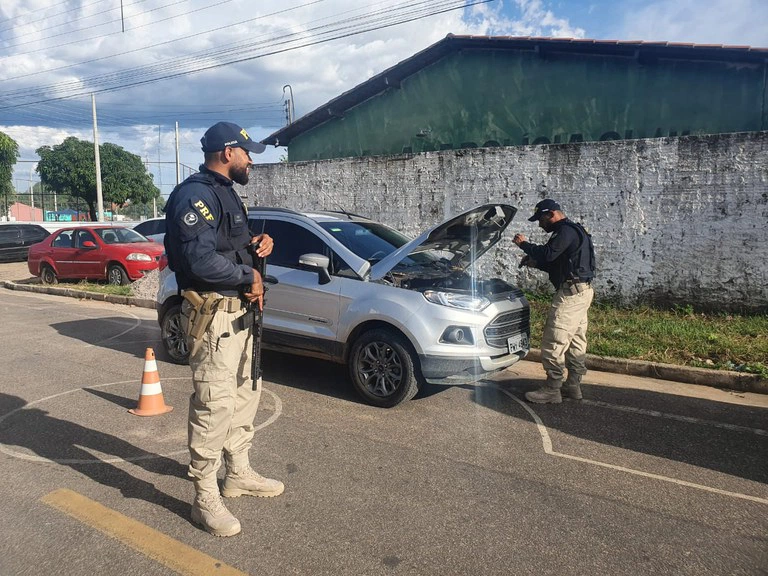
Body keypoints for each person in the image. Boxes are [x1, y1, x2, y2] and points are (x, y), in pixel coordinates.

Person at [164, 121, 281, 538]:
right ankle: (204, 497)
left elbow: (228, 245)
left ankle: (238, 474)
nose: (252, 159)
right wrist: (248, 274)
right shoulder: (195, 195)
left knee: (246, 394)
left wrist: (256, 244)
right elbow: (198, 262)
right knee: (214, 403)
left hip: (241, 317)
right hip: (214, 318)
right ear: (227, 152)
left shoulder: (225, 192)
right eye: (247, 152)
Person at [512, 199, 596, 404]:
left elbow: (548, 253)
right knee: (576, 340)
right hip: (581, 292)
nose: (540, 224)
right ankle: (573, 386)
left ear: (551, 214)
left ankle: (552, 389)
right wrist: (535, 263)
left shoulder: (564, 232)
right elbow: (558, 264)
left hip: (571, 295)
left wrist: (524, 244)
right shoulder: (573, 231)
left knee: (554, 339)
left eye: (541, 219)